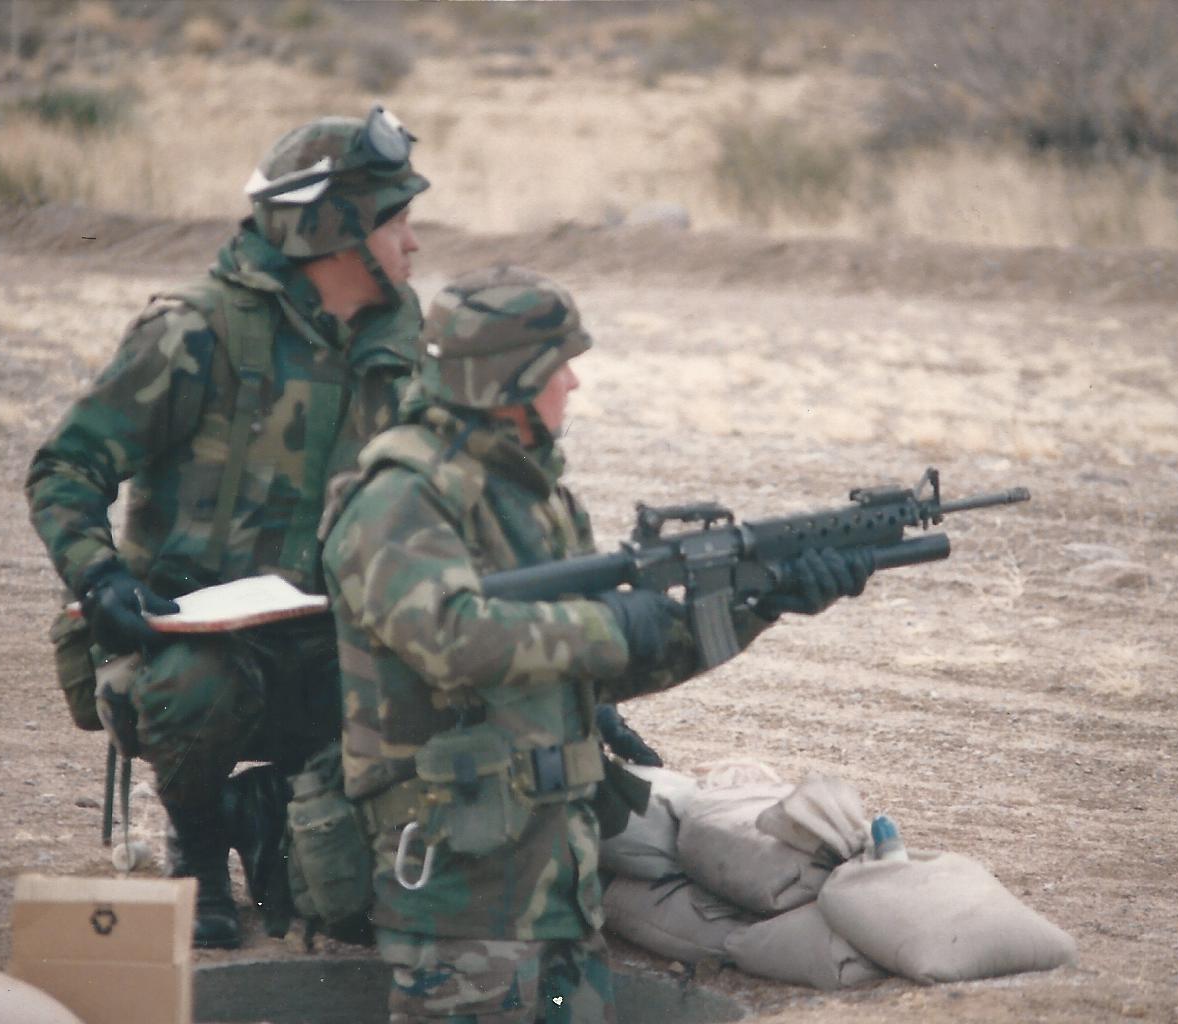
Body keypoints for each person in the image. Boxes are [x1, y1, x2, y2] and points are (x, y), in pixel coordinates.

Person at [320, 265, 875, 1022]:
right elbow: (450, 639)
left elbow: (606, 665)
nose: (574, 383)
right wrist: (611, 624)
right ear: (507, 381)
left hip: (558, 875)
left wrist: (759, 605)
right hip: (460, 884)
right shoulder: (398, 498)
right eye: (558, 364)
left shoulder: (537, 499)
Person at [25, 106, 428, 950]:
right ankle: (201, 845)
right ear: (335, 235)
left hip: (337, 649)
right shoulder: (194, 333)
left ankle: (283, 817)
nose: (413, 244)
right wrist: (101, 578)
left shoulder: (400, 347)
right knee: (193, 686)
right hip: (195, 648)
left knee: (353, 905)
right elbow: (66, 467)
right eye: (397, 222)